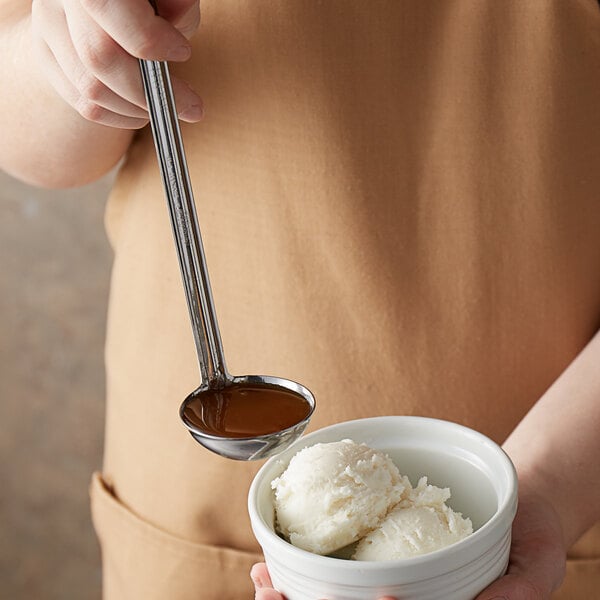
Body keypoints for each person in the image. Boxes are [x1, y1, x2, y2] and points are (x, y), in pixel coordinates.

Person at [2, 1, 599, 598]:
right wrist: (73, 49)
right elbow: (27, 130)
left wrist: (543, 491)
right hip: (198, 515)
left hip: (564, 490)